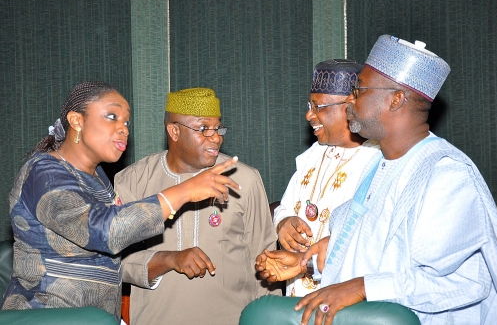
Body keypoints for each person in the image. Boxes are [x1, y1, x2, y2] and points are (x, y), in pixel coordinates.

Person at [256, 35, 497, 325]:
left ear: (395, 99)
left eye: (359, 91)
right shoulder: (382, 165)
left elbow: (466, 282)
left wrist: (361, 287)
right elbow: (373, 249)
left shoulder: (446, 173)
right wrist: (305, 262)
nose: (350, 103)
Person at [0, 81, 239, 320]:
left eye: (126, 122)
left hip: (94, 318)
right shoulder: (44, 173)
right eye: (111, 116)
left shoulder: (98, 178)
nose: (124, 128)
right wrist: (183, 191)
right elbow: (106, 231)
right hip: (48, 316)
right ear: (76, 121)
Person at [114, 87, 279, 325]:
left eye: (218, 128)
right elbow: (116, 262)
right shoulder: (133, 181)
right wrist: (169, 259)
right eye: (203, 129)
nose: (216, 137)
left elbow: (266, 260)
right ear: (174, 131)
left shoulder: (245, 179)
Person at [273, 59, 379, 297]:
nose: (309, 114)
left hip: (343, 300)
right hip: (296, 295)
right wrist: (283, 222)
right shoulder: (312, 154)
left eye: (318, 106)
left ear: (350, 106)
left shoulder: (378, 161)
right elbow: (284, 206)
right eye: (309, 104)